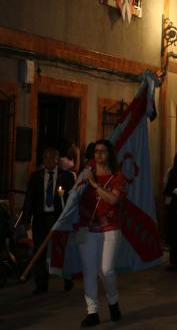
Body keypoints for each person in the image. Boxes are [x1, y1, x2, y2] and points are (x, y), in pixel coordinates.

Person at [77, 139, 127, 327]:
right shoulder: (85, 173)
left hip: (110, 227)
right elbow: (74, 195)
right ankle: (92, 312)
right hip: (86, 227)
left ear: (109, 154)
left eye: (103, 151)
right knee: (89, 271)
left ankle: (113, 302)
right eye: (96, 151)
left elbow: (113, 200)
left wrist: (94, 184)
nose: (99, 155)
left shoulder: (117, 177)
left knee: (105, 269)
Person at [22, 147, 75, 295]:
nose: (48, 161)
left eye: (52, 158)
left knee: (61, 250)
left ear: (58, 159)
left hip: (59, 218)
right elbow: (30, 199)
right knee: (40, 250)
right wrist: (27, 219)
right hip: (41, 217)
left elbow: (72, 199)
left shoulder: (66, 177)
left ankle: (67, 278)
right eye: (45, 158)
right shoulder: (36, 177)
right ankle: (41, 284)